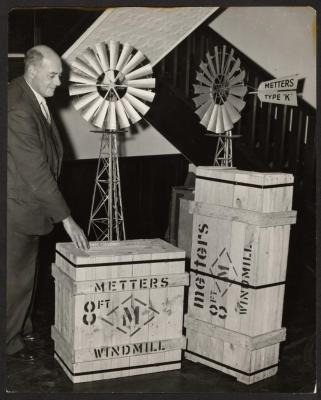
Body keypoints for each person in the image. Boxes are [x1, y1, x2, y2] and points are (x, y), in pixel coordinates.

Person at [7, 45, 89, 361]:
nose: (58, 82)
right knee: (14, 281)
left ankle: (20, 327)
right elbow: (37, 173)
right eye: (53, 75)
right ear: (33, 70)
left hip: (27, 206)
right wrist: (67, 218)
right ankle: (8, 345)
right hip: (17, 209)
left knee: (24, 276)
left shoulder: (29, 96)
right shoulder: (18, 107)